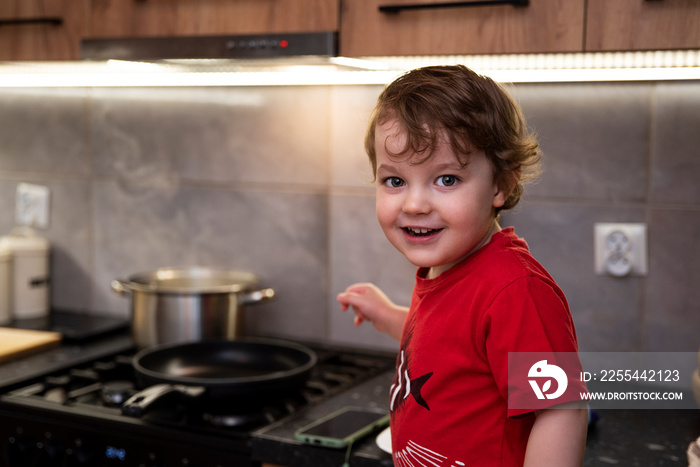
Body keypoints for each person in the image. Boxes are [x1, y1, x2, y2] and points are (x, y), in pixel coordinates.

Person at [337, 65, 588, 466]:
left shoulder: (514, 289)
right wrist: (389, 317)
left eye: (447, 180)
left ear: (501, 185)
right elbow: (456, 346)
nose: (414, 204)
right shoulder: (449, 267)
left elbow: (561, 411)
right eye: (395, 181)